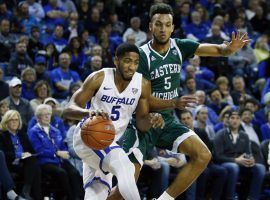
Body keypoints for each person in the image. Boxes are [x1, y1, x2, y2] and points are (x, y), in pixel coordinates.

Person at [112, 3, 250, 200]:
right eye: (158, 24)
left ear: (172, 27)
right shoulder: (142, 56)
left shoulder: (180, 46)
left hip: (168, 120)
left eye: (167, 25)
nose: (162, 29)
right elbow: (144, 100)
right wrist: (173, 103)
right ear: (150, 26)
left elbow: (219, 50)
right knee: (124, 191)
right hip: (143, 123)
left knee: (203, 155)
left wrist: (230, 48)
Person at [62, 43, 166, 200]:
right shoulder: (99, 78)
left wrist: (151, 119)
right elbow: (68, 110)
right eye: (127, 61)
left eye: (136, 62)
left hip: (109, 140)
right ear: (116, 61)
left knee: (97, 192)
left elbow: (141, 124)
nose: (132, 67)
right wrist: (88, 112)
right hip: (88, 135)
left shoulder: (142, 84)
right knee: (124, 166)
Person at [28, 104, 83, 200]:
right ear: (38, 117)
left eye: (48, 114)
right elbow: (39, 150)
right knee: (62, 173)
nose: (47, 116)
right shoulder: (33, 132)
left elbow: (62, 146)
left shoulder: (55, 130)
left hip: (59, 160)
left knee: (74, 172)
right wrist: (56, 153)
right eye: (44, 114)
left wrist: (65, 153)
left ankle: (78, 197)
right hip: (44, 161)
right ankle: (69, 197)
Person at [0, 110, 42, 200]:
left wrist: (29, 154)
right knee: (36, 169)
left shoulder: (22, 134)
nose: (15, 122)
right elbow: (3, 154)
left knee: (33, 161)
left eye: (17, 120)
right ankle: (34, 196)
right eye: (12, 120)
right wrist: (19, 155)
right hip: (9, 165)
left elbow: (31, 150)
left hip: (23, 164)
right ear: (6, 122)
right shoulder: (2, 135)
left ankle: (26, 191)